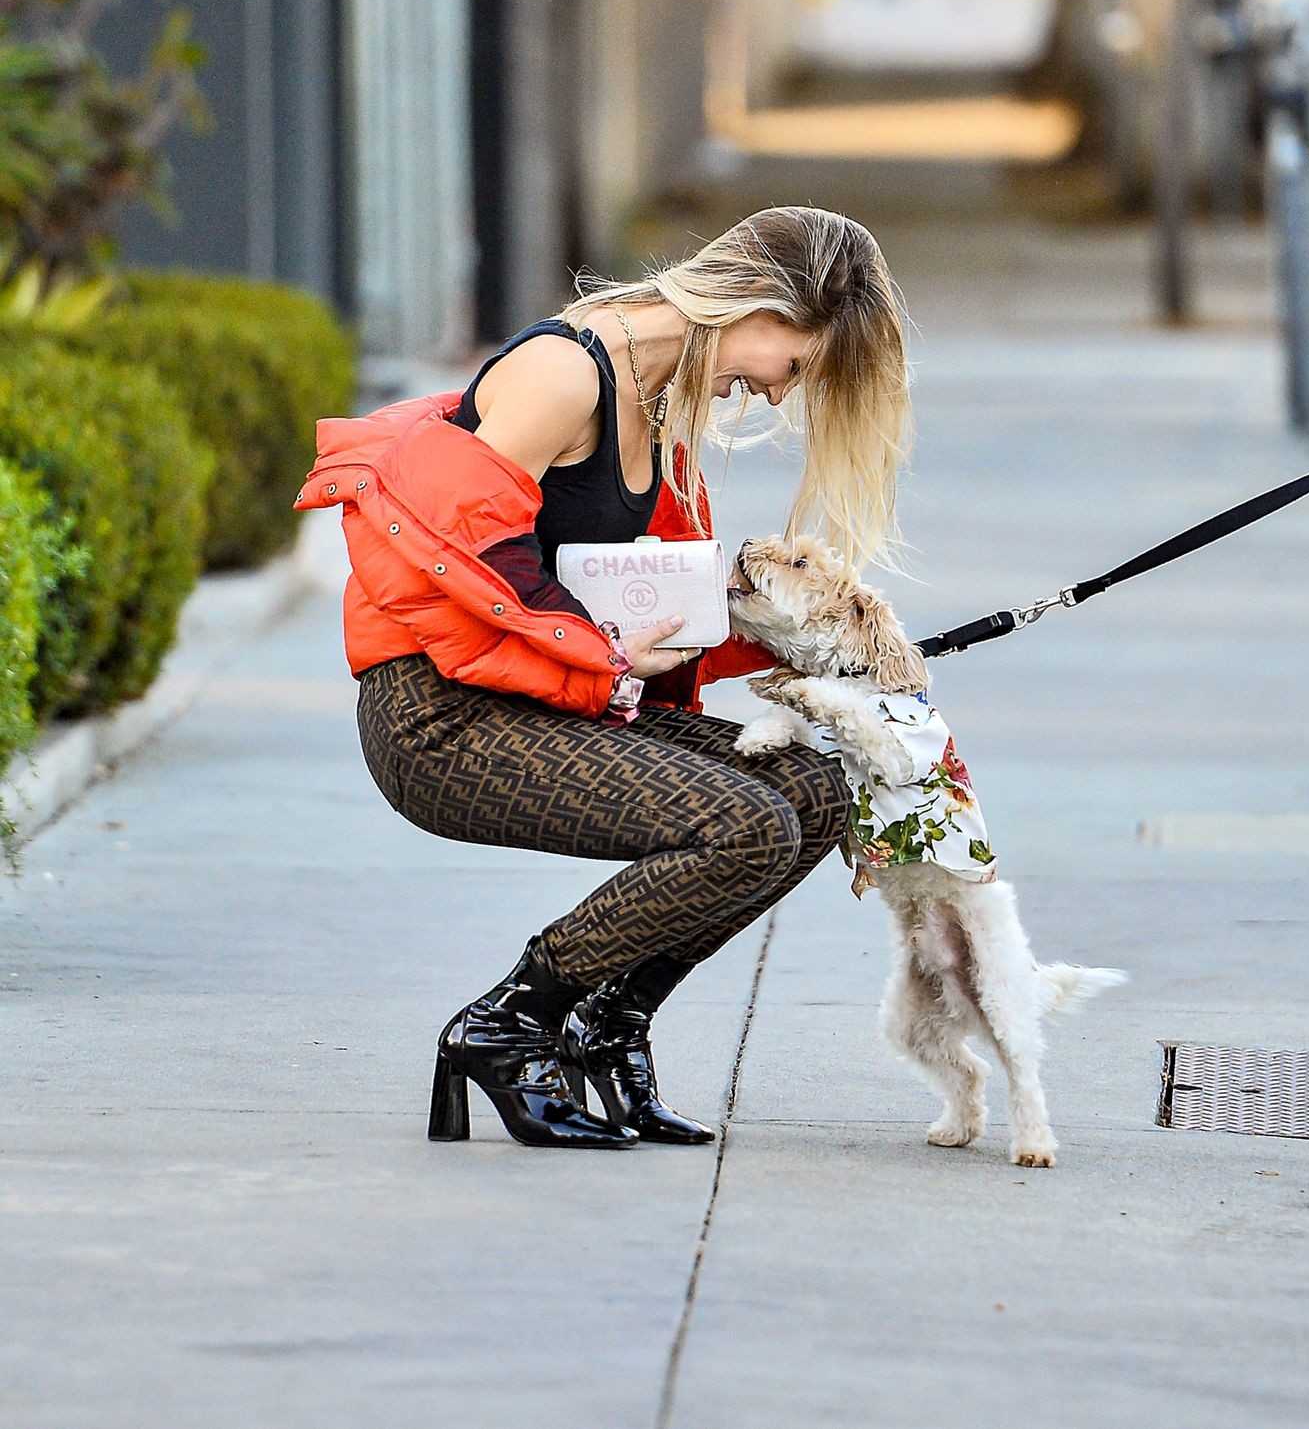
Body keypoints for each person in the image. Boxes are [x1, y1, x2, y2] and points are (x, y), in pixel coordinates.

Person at [296, 206, 912, 1150]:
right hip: (443, 718)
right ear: (760, 303)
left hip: (541, 700)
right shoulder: (562, 373)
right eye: (796, 366)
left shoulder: (656, 400)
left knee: (814, 792)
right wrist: (607, 652)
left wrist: (817, 642)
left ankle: (605, 1025)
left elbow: (641, 598)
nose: (780, 394)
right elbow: (464, 559)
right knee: (746, 824)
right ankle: (508, 1025)